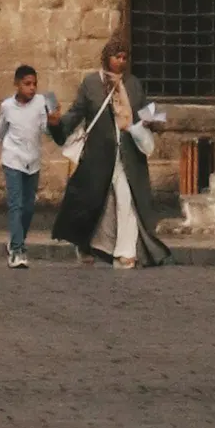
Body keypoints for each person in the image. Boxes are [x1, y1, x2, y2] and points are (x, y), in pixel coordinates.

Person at [49, 36, 173, 267]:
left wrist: (155, 121)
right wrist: (57, 125)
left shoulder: (133, 84)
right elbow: (75, 114)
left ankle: (126, 252)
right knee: (94, 203)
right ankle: (85, 244)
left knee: (127, 200)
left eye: (125, 57)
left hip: (127, 155)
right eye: (117, 57)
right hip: (99, 156)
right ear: (107, 58)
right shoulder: (91, 84)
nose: (121, 62)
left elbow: (144, 111)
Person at [0, 61, 57, 267]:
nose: (31, 88)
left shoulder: (41, 102)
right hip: (12, 159)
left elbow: (46, 128)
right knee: (15, 204)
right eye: (27, 84)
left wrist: (54, 122)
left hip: (32, 160)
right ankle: (17, 251)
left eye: (34, 84)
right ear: (17, 84)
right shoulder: (7, 106)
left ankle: (17, 240)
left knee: (28, 207)